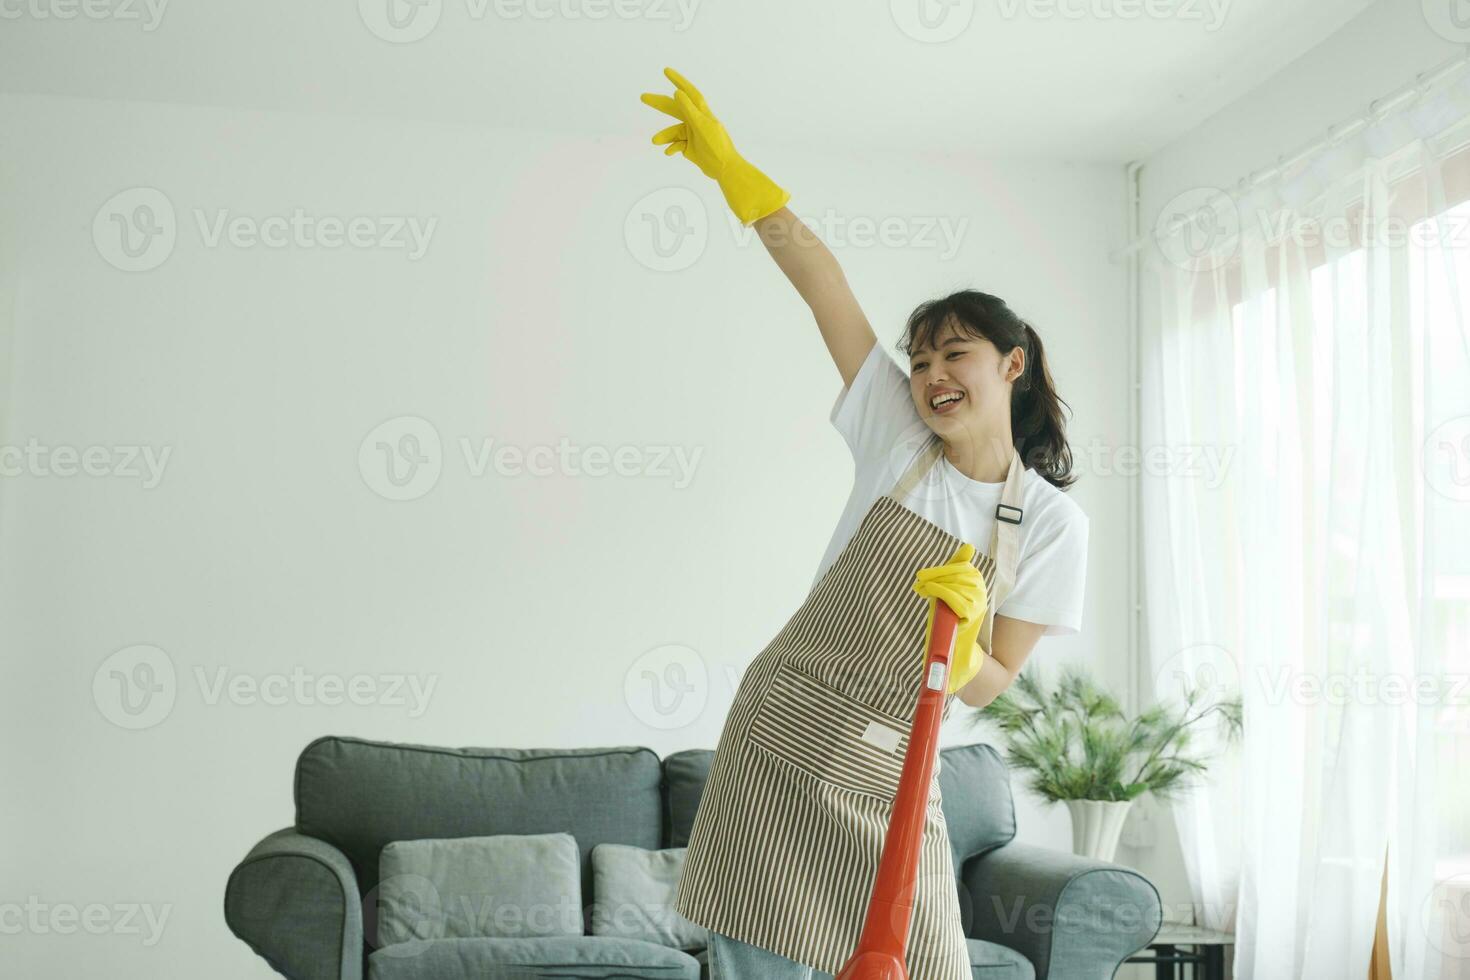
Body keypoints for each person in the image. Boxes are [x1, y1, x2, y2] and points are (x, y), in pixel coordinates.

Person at [639, 67, 1089, 980]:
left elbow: (991, 683)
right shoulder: (895, 435)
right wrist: (735, 174)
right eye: (920, 359)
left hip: (895, 774)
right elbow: (822, 284)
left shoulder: (1048, 526)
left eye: (954, 353)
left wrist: (962, 650)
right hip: (780, 734)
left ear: (1013, 365)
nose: (930, 376)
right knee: (756, 964)